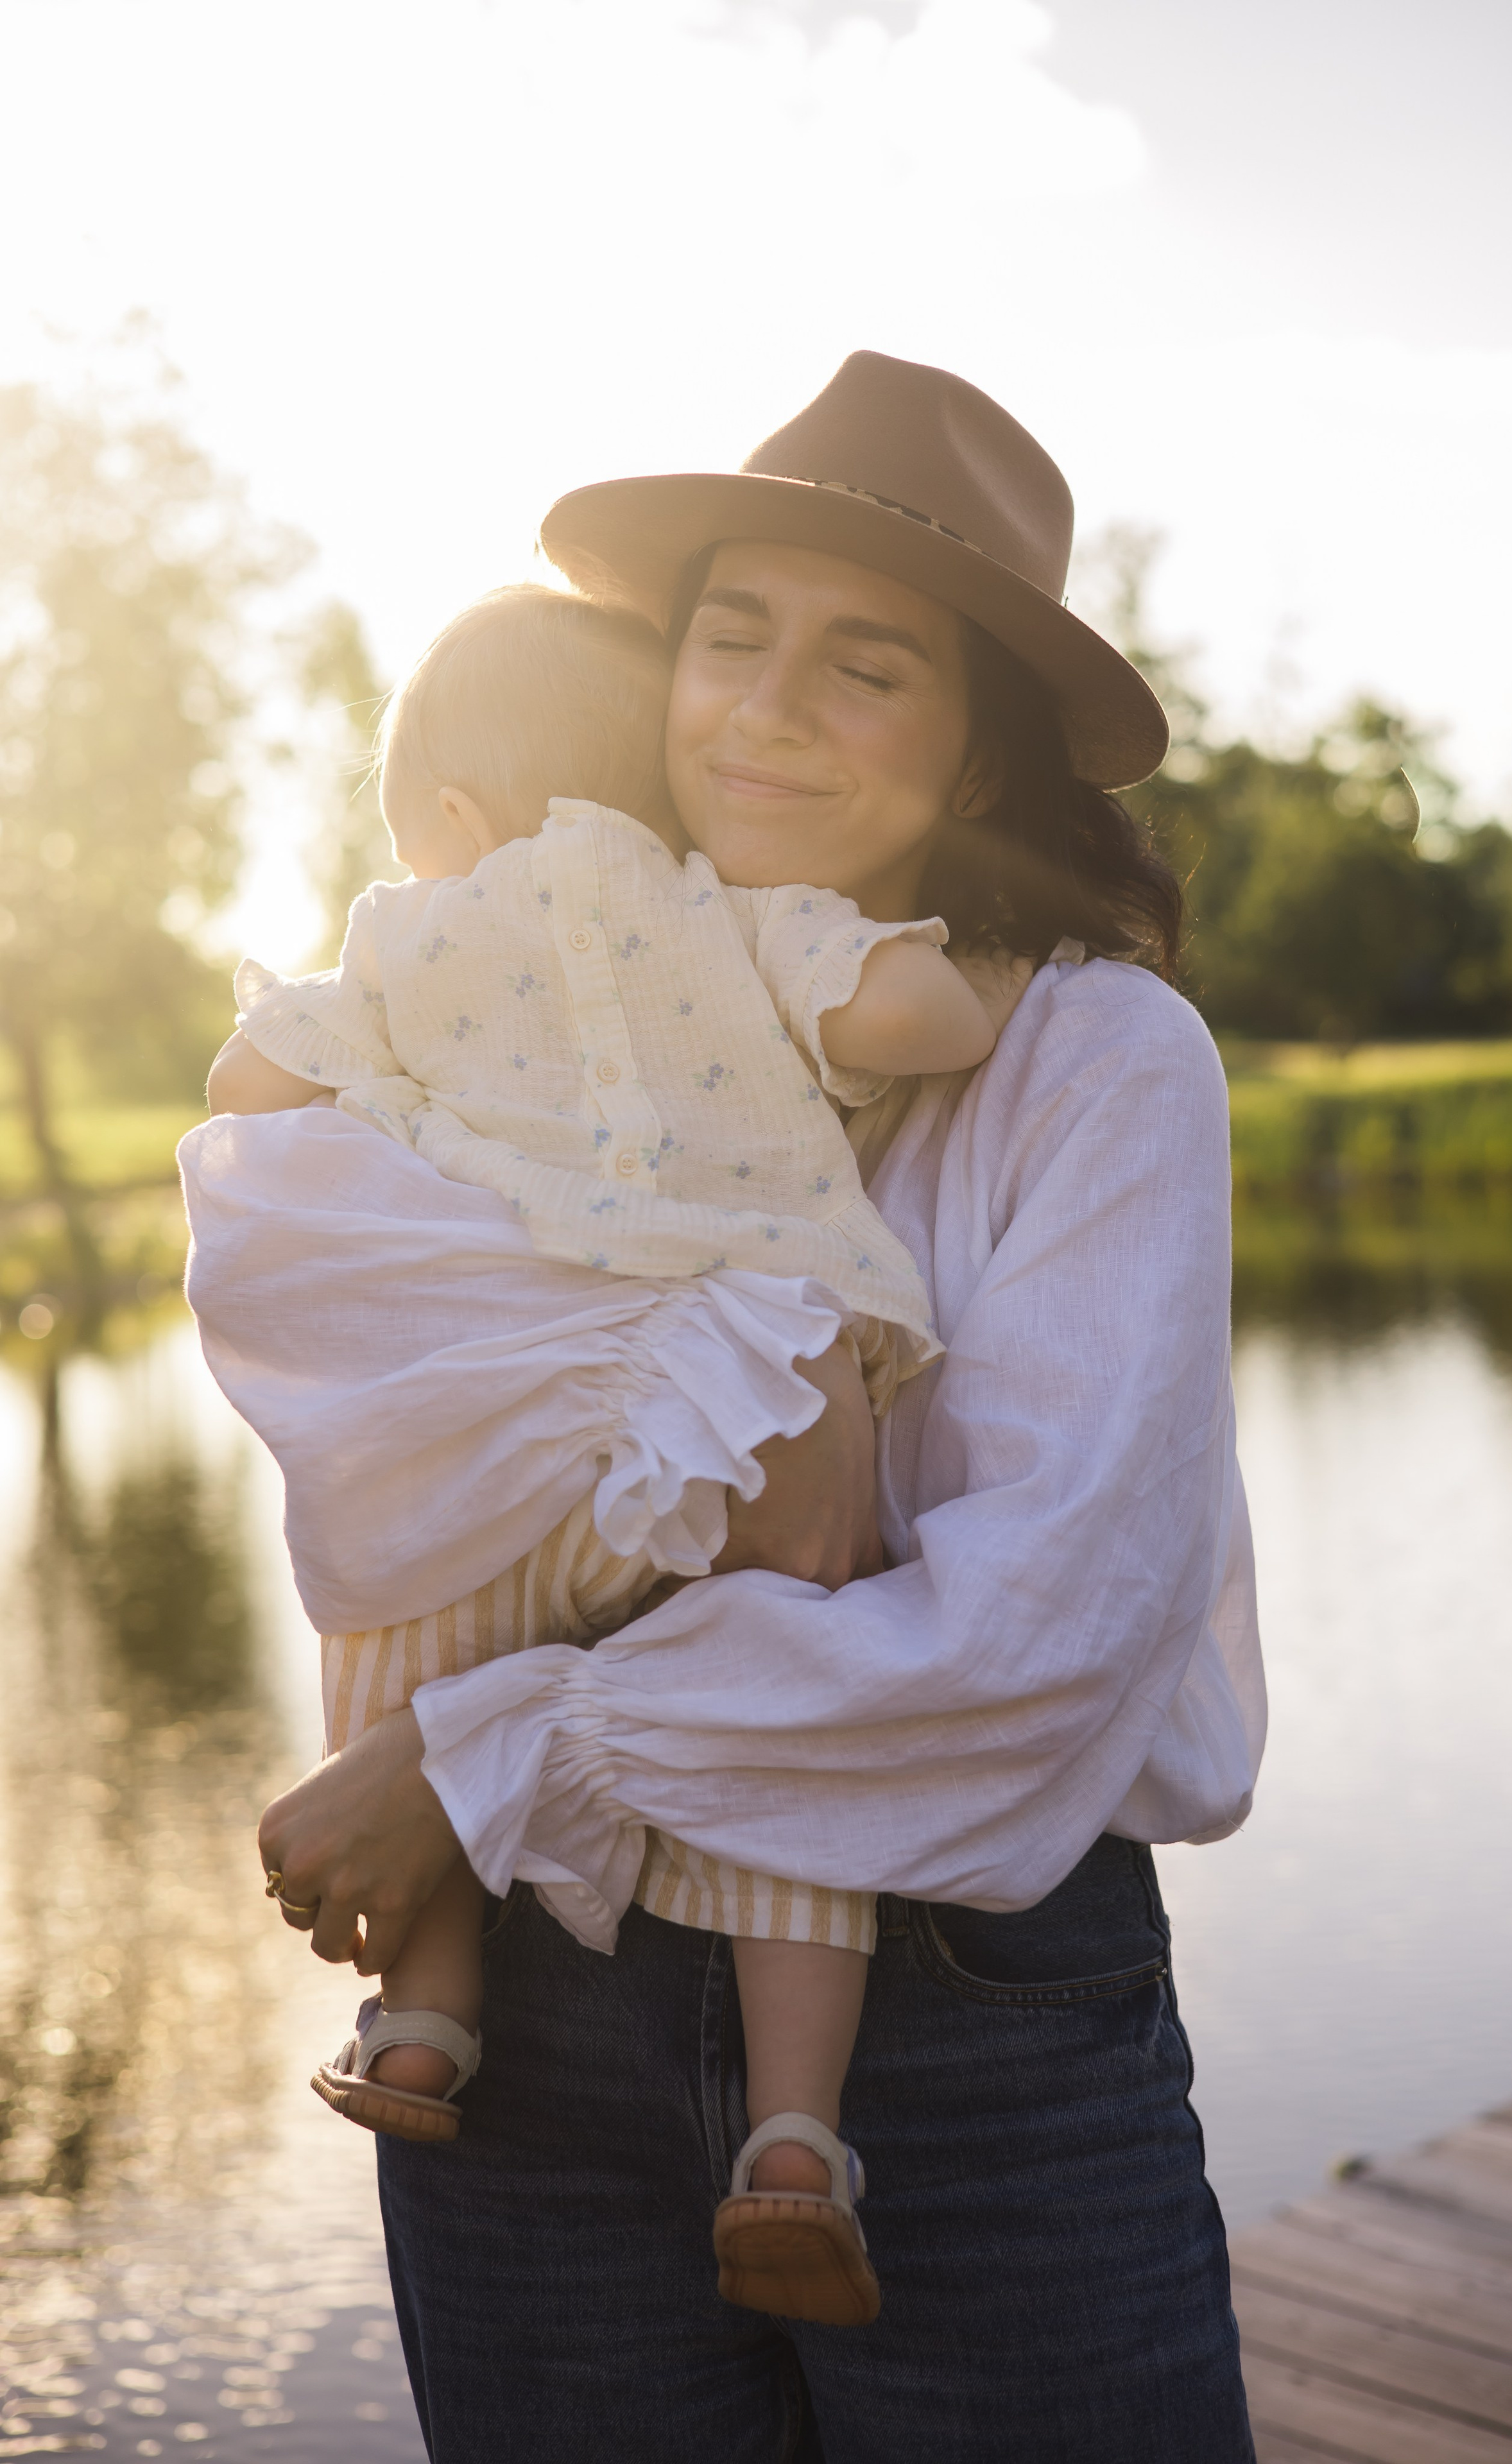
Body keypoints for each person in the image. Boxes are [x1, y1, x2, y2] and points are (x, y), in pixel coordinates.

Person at [257, 351, 1266, 2461]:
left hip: (958, 2023)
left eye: (866, 664)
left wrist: (478, 1747)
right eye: (734, 635)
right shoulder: (510, 983)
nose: (769, 707)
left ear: (978, 744)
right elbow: (345, 1388)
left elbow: (1039, 1638)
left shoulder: (1096, 1062)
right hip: (520, 2010)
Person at [188, 580, 1031, 2325]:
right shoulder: (731, 915)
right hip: (753, 1399)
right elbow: (924, 1027)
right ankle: (795, 2143)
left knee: (397, 1610)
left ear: (439, 815)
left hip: (524, 1420)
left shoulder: (410, 938)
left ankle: (422, 2021)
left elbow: (245, 1092)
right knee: (791, 1747)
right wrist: (976, 971)